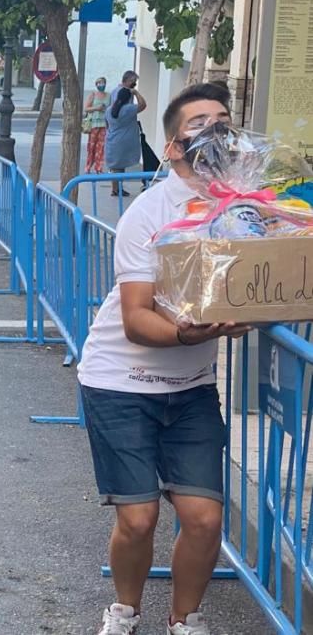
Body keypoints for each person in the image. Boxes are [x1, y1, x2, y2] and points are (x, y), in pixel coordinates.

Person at [78, 83, 248, 635]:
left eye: (223, 119)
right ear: (173, 147)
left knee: (204, 520)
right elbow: (136, 318)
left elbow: (256, 288)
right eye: (200, 122)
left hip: (192, 386)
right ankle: (124, 611)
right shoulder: (148, 215)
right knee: (139, 518)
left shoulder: (244, 211)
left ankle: (185, 620)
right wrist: (189, 333)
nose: (215, 130)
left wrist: (250, 315)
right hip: (119, 381)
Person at [105, 86, 147, 196]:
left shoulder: (109, 110)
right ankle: (117, 189)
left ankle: (115, 189)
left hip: (111, 140)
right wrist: (136, 93)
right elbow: (143, 105)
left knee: (115, 167)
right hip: (123, 142)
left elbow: (107, 125)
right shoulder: (129, 109)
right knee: (119, 167)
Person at [84, 76, 110, 174]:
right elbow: (86, 108)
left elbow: (111, 108)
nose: (101, 85)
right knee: (91, 146)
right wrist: (96, 108)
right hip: (94, 123)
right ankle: (88, 166)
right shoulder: (93, 95)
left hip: (104, 124)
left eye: (103, 83)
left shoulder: (108, 96)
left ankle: (99, 167)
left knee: (101, 146)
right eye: (99, 83)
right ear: (96, 85)